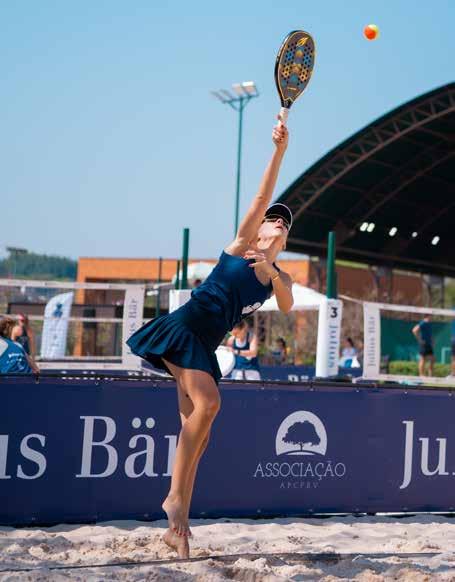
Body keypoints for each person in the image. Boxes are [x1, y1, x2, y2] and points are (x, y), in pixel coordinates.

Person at [127, 119, 293, 558]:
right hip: (185, 328)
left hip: (204, 345)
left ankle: (176, 527)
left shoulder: (279, 275)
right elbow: (261, 198)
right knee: (209, 405)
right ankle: (174, 499)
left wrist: (274, 272)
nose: (278, 220)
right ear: (260, 228)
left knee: (200, 434)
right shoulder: (240, 245)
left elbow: (287, 304)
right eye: (273, 218)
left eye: (285, 222)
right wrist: (279, 151)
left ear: (285, 239)